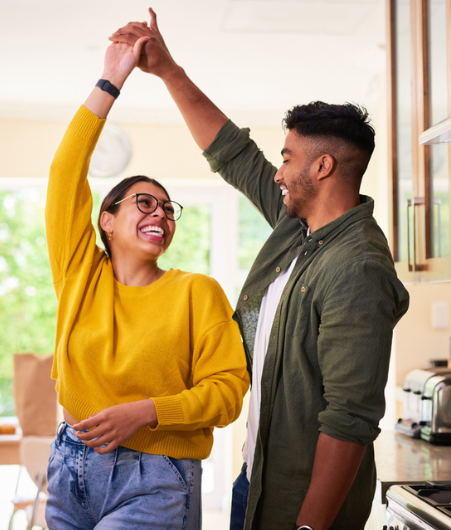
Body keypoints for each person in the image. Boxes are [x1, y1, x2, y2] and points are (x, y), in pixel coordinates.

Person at [111, 10, 410, 530]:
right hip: (258, 480)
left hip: (301, 506)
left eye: (288, 158)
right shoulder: (299, 228)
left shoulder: (356, 268)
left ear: (322, 168)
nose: (277, 171)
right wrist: (167, 69)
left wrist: (309, 528)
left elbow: (350, 421)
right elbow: (233, 154)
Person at [45, 32, 249, 530]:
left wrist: (146, 412)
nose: (161, 212)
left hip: (156, 478)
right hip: (69, 467)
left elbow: (227, 391)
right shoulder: (80, 275)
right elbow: (64, 174)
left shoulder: (195, 292)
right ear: (106, 221)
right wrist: (112, 79)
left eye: (167, 207)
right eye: (144, 202)